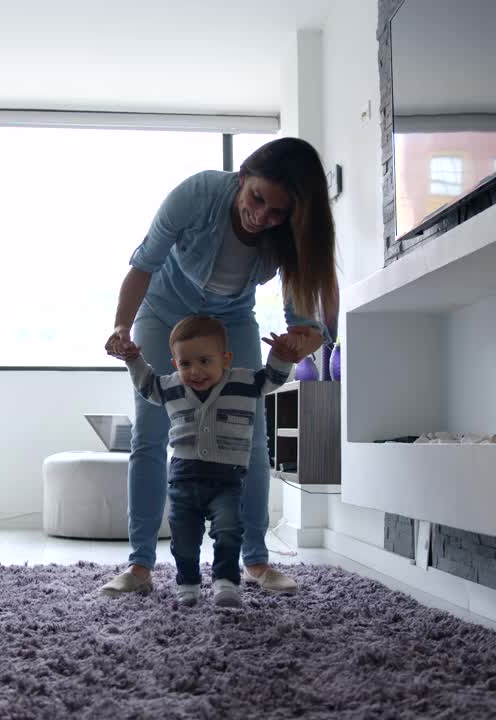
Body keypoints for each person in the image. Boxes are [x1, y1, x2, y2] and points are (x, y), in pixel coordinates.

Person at [101, 137, 338, 597]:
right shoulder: (197, 194)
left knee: (250, 433)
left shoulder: (290, 234)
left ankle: (256, 561)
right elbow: (144, 264)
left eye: (276, 213)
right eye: (256, 199)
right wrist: (121, 328)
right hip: (164, 306)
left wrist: (300, 341)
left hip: (231, 317)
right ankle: (140, 566)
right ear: (242, 176)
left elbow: (309, 323)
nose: (261, 216)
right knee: (151, 428)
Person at [118, 314, 302, 607]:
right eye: (185, 363)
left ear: (225, 359)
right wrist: (133, 359)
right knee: (184, 538)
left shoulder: (244, 382)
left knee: (229, 532)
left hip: (227, 481)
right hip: (183, 480)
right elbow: (146, 384)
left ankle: (226, 581)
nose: (196, 371)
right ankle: (188, 582)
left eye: (205, 361)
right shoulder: (171, 387)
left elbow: (272, 378)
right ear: (175, 363)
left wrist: (280, 355)